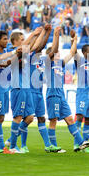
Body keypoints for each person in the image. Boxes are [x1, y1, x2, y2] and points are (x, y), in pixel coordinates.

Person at [45, 28, 89, 152]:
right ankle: (53, 146)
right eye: (56, 53)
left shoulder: (60, 64)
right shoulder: (48, 64)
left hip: (61, 96)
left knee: (70, 119)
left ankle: (81, 142)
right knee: (53, 121)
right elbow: (54, 50)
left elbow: (72, 52)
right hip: (53, 95)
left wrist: (74, 39)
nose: (59, 54)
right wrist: (56, 35)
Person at [28, 24, 63, 153]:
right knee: (26, 119)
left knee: (41, 118)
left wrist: (54, 34)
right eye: (40, 48)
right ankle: (12, 142)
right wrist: (44, 33)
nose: (41, 50)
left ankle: (48, 145)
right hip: (29, 92)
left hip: (38, 93)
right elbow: (39, 46)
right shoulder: (30, 57)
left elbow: (53, 50)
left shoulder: (42, 60)